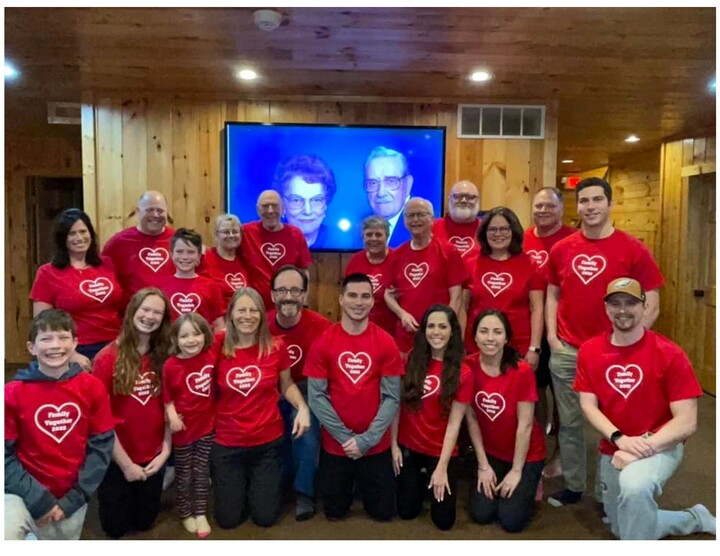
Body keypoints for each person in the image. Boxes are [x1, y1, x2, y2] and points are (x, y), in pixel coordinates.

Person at [545, 177, 665, 507]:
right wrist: (553, 338)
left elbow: (651, 297)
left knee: (613, 425)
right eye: (584, 201)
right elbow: (552, 294)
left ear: (610, 203)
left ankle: (605, 491)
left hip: (613, 354)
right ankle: (572, 485)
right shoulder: (562, 248)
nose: (590, 206)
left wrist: (630, 340)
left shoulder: (633, 249)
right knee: (568, 423)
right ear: (577, 206)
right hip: (569, 351)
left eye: (597, 199)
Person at [574, 278, 716, 540]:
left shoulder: (669, 353)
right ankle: (695, 517)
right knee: (624, 524)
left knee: (635, 488)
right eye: (615, 303)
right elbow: (588, 405)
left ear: (644, 306)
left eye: (630, 302)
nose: (623, 309)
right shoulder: (589, 351)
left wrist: (640, 449)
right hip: (615, 447)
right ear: (606, 308)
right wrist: (620, 439)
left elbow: (686, 422)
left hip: (661, 444)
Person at [4, 309, 115, 540]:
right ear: (31, 348)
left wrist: (74, 499)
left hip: (71, 497)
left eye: (63, 337)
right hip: (21, 493)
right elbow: (5, 454)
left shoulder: (92, 388)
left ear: (75, 343)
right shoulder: (12, 393)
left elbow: (101, 447)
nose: (55, 345)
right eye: (45, 338)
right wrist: (37, 499)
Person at [304, 273, 404, 521]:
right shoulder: (323, 342)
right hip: (337, 445)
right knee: (334, 513)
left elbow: (392, 397)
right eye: (352, 296)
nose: (359, 302)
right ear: (341, 299)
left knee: (383, 514)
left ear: (372, 301)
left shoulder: (386, 342)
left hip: (375, 443)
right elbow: (316, 397)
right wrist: (347, 439)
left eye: (365, 296)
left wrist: (366, 440)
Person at [212, 287, 310, 529]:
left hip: (266, 443)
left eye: (254, 310)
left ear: (262, 314)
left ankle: (255, 484)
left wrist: (303, 408)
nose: (248, 316)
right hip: (227, 443)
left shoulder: (276, 346)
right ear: (231, 314)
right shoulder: (216, 345)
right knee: (228, 520)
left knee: (265, 518)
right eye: (241, 310)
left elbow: (286, 384)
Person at [92, 288, 173, 539]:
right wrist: (126, 465)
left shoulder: (164, 355)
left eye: (157, 312)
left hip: (153, 456)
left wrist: (166, 451)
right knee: (115, 529)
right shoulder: (106, 358)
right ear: (132, 311)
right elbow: (99, 421)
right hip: (117, 457)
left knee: (145, 522)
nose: (150, 316)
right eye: (145, 309)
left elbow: (171, 407)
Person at [391, 304, 472, 531]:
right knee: (406, 511)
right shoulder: (412, 360)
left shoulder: (462, 372)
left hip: (440, 449)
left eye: (443, 327)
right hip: (409, 446)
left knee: (444, 521)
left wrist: (442, 466)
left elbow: (456, 422)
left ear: (452, 331)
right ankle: (418, 480)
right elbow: (398, 406)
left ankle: (431, 475)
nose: (436, 332)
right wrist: (394, 445)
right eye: (431, 326)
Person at [464, 309, 546, 533]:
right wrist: (483, 465)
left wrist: (517, 471)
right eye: (484, 331)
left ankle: (532, 479)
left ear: (507, 338)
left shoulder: (522, 371)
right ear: (475, 337)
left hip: (526, 453)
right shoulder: (468, 367)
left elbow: (526, 425)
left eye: (497, 332)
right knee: (481, 514)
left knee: (510, 521)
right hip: (491, 452)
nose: (490, 338)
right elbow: (471, 418)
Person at [267, 265, 332, 521]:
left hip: (307, 391)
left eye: (295, 290)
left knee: (304, 430)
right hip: (267, 390)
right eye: (282, 290)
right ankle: (277, 483)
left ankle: (304, 491)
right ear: (272, 295)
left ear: (304, 296)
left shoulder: (321, 326)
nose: (288, 296)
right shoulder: (260, 323)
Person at [522, 187, 576, 479]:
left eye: (549, 206)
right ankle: (539, 445)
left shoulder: (571, 239)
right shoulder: (525, 238)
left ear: (561, 209)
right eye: (538, 206)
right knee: (535, 390)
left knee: (563, 396)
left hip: (561, 328)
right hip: (531, 328)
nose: (542, 211)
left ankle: (561, 455)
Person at [30, 208, 123, 364]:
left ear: (91, 234)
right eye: (72, 234)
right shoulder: (47, 273)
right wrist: (70, 354)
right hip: (77, 349)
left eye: (83, 231)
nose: (79, 238)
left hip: (115, 344)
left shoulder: (107, 264)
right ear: (62, 239)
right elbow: (42, 324)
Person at [462, 206, 545, 368]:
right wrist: (460, 344)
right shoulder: (470, 262)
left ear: (514, 231)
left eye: (504, 229)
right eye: (492, 229)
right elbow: (462, 307)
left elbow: (537, 309)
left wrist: (534, 348)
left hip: (518, 347)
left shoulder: (530, 264)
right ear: (484, 233)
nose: (498, 234)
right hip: (477, 346)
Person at [384, 197, 467, 354]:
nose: (415, 220)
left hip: (439, 338)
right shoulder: (397, 255)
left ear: (432, 219)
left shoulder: (449, 252)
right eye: (410, 215)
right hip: (406, 338)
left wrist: (442, 325)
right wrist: (402, 314)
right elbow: (388, 294)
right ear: (404, 220)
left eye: (421, 214)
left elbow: (456, 297)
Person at [162, 313, 216, 538]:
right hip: (183, 429)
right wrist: (172, 415)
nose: (191, 340)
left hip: (207, 426)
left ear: (205, 335)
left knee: (202, 470)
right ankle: (185, 512)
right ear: (175, 339)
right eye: (184, 336)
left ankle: (200, 511)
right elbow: (167, 397)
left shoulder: (211, 357)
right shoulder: (170, 365)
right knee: (184, 473)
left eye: (196, 334)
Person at [101, 190, 175, 307]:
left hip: (171, 316)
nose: (155, 215)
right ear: (138, 212)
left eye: (160, 210)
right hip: (131, 317)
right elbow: (103, 278)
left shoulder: (178, 241)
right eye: (149, 210)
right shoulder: (118, 243)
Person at [240, 190, 313, 309]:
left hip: (287, 306)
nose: (270, 210)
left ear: (283, 208)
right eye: (265, 206)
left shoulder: (296, 234)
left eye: (274, 205)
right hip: (254, 308)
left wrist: (303, 301)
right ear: (258, 210)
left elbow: (304, 272)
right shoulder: (246, 232)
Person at [157, 228, 224, 331]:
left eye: (190, 252)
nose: (185, 257)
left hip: (201, 344)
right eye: (179, 251)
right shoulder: (160, 286)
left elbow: (218, 325)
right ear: (171, 254)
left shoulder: (211, 286)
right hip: (169, 345)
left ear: (198, 256)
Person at [344, 216, 397, 335]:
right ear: (363, 237)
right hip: (360, 328)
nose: (373, 239)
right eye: (369, 234)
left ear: (387, 236)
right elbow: (347, 297)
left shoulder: (397, 259)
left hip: (392, 330)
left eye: (378, 235)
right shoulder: (355, 261)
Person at [272, 154, 338, 249]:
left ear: (325, 204)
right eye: (296, 200)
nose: (307, 211)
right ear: (282, 205)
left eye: (316, 200)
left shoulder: (346, 241)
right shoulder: (267, 243)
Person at [363, 146, 414, 246]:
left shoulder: (423, 228)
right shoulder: (358, 231)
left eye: (391, 181)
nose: (381, 193)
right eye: (373, 183)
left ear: (407, 184)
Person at [197, 213, 250, 307]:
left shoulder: (244, 259)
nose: (231, 235)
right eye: (226, 232)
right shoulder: (204, 256)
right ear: (216, 234)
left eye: (235, 231)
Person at [432, 180, 483, 271]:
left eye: (470, 197)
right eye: (457, 196)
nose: (463, 200)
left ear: (478, 201)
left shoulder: (487, 229)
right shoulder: (431, 228)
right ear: (449, 199)